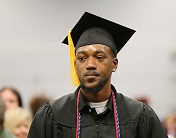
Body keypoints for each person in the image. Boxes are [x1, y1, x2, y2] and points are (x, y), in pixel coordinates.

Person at [28, 12, 168, 138]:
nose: (90, 64)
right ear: (75, 65)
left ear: (114, 64)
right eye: (82, 58)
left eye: (99, 57)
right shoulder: (52, 115)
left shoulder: (139, 116)